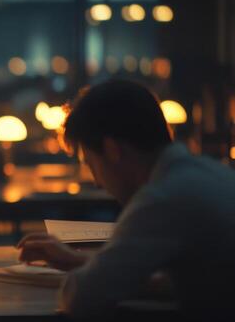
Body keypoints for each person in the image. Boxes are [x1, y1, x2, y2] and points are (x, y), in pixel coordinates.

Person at [16, 80, 235, 319]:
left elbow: (81, 297)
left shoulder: (161, 199)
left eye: (91, 164)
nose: (98, 182)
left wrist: (91, 271)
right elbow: (177, 282)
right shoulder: (212, 174)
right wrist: (78, 260)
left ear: (112, 150)